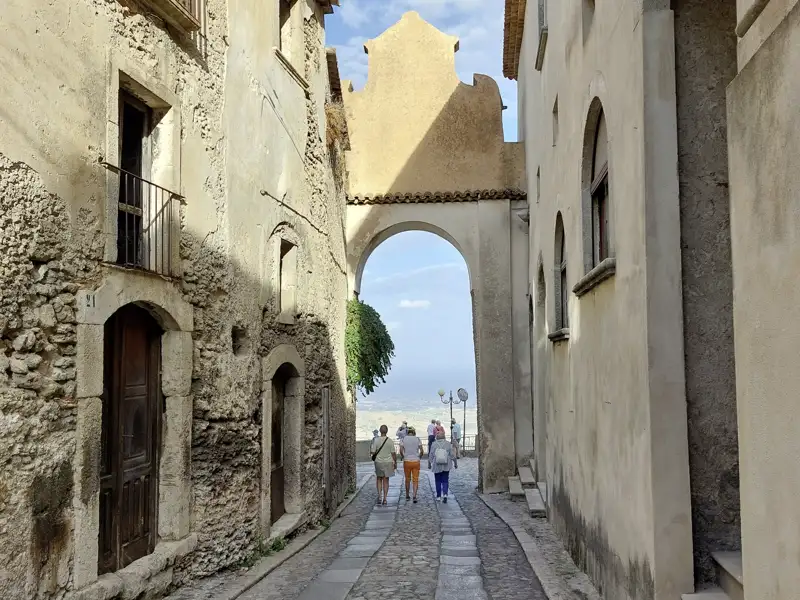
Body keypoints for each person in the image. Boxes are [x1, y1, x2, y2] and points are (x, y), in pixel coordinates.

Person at [370, 425, 397, 505]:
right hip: (388, 462)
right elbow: (393, 453)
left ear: (380, 431)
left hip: (378, 462)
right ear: (387, 431)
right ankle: (385, 499)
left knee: (379, 479)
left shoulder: (376, 440)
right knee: (386, 480)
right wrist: (395, 463)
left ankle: (379, 496)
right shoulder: (390, 441)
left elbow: (372, 452)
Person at [428, 429, 457, 502]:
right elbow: (452, 455)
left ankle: (438, 496)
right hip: (446, 464)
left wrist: (429, 463)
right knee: (445, 480)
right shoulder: (448, 444)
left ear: (437, 437)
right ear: (444, 436)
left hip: (437, 465)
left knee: (437, 480)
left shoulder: (434, 444)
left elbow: (431, 454)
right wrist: (455, 463)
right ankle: (445, 494)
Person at [399, 426, 423, 503]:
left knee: (407, 479)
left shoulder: (403, 439)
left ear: (407, 432)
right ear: (414, 432)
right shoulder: (417, 439)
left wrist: (403, 456)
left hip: (407, 461)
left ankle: (407, 495)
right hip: (416, 461)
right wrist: (419, 457)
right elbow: (421, 451)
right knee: (415, 479)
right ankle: (414, 496)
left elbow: (401, 450)